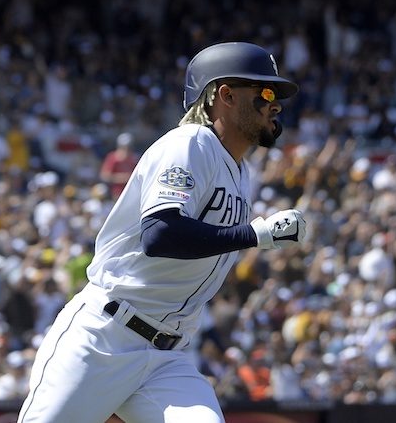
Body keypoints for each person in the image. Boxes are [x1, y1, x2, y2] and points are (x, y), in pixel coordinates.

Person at [17, 41, 306, 423]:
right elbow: (160, 235)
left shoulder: (240, 172)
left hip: (164, 358)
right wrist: (256, 235)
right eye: (265, 92)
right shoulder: (190, 145)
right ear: (226, 95)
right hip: (104, 337)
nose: (276, 104)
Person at [99, 132, 140, 200]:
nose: (126, 149)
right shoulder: (113, 157)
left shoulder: (134, 158)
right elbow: (105, 176)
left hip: (132, 193)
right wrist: (123, 178)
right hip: (117, 193)